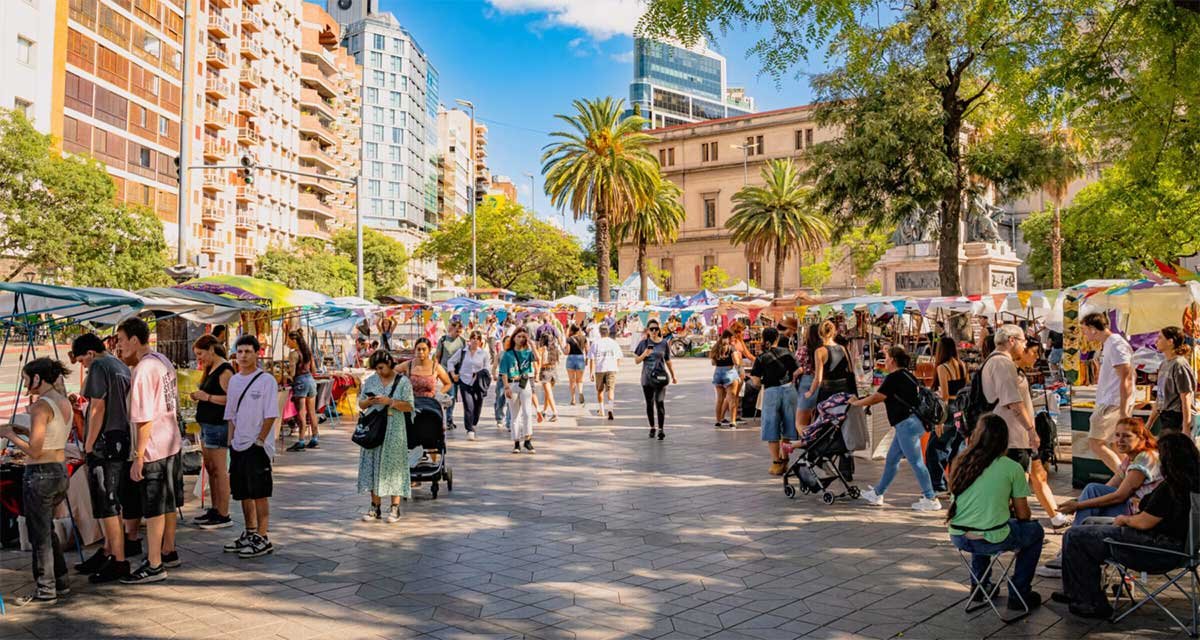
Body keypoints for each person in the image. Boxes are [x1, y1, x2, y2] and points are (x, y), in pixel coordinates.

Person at [1055, 432, 1200, 619]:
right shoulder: (1192, 484)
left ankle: (1088, 602)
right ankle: (1077, 592)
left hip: (1155, 550)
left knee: (1075, 536)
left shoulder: (1171, 488)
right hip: (1182, 549)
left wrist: (1125, 519)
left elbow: (1144, 522)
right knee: (1087, 528)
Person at [946, 414, 1046, 613]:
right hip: (991, 537)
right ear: (1004, 439)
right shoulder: (1011, 467)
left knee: (982, 523)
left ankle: (980, 587)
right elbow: (1024, 515)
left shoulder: (960, 461)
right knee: (1035, 532)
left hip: (958, 535)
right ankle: (1019, 592)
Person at [1039, 417, 1161, 578]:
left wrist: (1079, 506)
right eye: (1117, 435)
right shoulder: (1131, 458)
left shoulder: (1146, 458)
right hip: (1133, 510)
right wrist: (1079, 502)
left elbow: (1119, 496)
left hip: (1141, 516)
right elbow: (1110, 487)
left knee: (1092, 492)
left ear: (1141, 438)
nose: (1120, 440)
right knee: (1093, 490)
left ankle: (1069, 555)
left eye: (1126, 436)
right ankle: (1070, 554)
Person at [115, 317, 183, 583]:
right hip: (170, 442)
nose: (118, 347)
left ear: (134, 339)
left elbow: (144, 418)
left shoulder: (143, 369)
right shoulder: (162, 361)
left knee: (154, 506)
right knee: (166, 503)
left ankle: (155, 564)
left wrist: (138, 456)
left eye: (120, 341)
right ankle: (168, 550)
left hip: (154, 446)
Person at [2, 358, 74, 606]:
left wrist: (10, 434)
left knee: (39, 535)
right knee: (46, 530)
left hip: (40, 473)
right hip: (59, 470)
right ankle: (60, 581)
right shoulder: (62, 401)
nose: (24, 384)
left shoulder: (41, 406)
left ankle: (46, 589)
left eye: (26, 379)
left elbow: (34, 450)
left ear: (37, 378)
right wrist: (22, 431)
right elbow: (51, 436)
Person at [69, 333, 134, 584]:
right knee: (112, 500)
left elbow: (97, 408)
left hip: (105, 440)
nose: (83, 366)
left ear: (91, 354)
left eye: (82, 361)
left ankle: (118, 559)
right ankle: (109, 550)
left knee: (107, 503)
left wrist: (88, 443)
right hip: (121, 436)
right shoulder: (119, 365)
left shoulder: (98, 366)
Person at [852, 347, 942, 511]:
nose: (884, 361)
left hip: (906, 425)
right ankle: (878, 493)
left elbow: (877, 397)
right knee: (892, 459)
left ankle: (931, 498)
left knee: (916, 462)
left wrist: (856, 403)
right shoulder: (908, 375)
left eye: (886, 357)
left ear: (892, 360)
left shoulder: (893, 378)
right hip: (913, 423)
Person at [221, 335, 279, 559]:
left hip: (257, 445)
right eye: (240, 351)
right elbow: (231, 415)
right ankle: (250, 531)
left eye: (248, 351)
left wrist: (260, 440)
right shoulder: (234, 380)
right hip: (238, 445)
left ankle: (263, 537)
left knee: (260, 493)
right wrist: (230, 442)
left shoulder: (266, 381)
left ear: (257, 353)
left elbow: (271, 414)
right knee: (243, 493)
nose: (243, 356)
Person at [1012, 338, 1065, 527]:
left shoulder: (1019, 373)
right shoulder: (1011, 373)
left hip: (1026, 434)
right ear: (1022, 351)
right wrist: (1030, 429)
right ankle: (1021, 524)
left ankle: (1055, 515)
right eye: (1034, 352)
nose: (1036, 357)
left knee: (1039, 474)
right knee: (1023, 481)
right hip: (1018, 436)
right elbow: (1015, 405)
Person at [357, 350, 412, 522]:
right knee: (373, 463)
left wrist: (391, 402)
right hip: (374, 428)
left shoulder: (403, 382)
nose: (379, 372)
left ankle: (395, 507)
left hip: (394, 428)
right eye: (376, 369)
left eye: (381, 368)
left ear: (389, 364)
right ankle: (375, 506)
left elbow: (410, 406)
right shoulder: (371, 381)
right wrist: (370, 401)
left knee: (395, 465)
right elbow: (361, 403)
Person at [980, 324, 1040, 474]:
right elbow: (1014, 403)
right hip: (1010, 438)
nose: (1025, 345)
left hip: (1009, 437)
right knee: (1016, 489)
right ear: (1012, 340)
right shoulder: (1002, 363)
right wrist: (1031, 430)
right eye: (1023, 342)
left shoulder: (999, 361)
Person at [189, 335, 235, 529]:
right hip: (207, 424)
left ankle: (223, 512)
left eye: (201, 354)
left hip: (218, 425)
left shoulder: (225, 370)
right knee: (210, 469)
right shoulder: (211, 369)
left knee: (219, 470)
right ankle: (215, 508)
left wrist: (206, 397)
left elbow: (231, 399)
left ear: (211, 349)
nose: (200, 358)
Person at [1081, 312, 1133, 472]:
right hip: (1112, 402)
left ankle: (1125, 480)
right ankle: (1128, 479)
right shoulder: (1111, 344)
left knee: (1095, 442)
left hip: (1113, 404)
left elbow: (1126, 377)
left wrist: (1124, 411)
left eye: (1084, 330)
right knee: (1116, 445)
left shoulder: (1116, 344)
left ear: (1093, 329)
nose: (1083, 334)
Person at [751, 327, 800, 476]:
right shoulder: (787, 353)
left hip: (771, 392)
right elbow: (798, 370)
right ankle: (785, 459)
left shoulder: (761, 357)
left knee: (771, 426)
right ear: (777, 339)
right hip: (789, 391)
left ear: (764, 339)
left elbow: (756, 381)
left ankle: (776, 462)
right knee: (788, 426)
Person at [925, 337, 969, 493]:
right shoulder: (963, 365)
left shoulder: (943, 367)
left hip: (949, 409)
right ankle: (955, 482)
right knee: (957, 446)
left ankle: (938, 484)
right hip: (961, 409)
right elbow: (966, 388)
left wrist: (939, 420)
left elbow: (944, 394)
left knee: (935, 448)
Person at [499, 329, 542, 453]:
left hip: (525, 383)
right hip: (512, 384)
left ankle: (528, 439)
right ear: (513, 338)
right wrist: (506, 386)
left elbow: (538, 359)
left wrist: (532, 344)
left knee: (527, 412)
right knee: (515, 415)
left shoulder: (527, 352)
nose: (521, 339)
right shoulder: (507, 354)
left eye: (523, 337)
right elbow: (503, 372)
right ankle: (516, 442)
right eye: (519, 336)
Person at [634, 319, 677, 441]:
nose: (654, 331)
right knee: (649, 403)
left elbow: (668, 361)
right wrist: (645, 354)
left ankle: (661, 429)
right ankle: (652, 427)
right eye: (651, 329)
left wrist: (673, 375)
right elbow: (636, 361)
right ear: (647, 330)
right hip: (647, 378)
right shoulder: (643, 343)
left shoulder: (664, 344)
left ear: (659, 330)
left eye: (656, 329)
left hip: (660, 377)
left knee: (660, 402)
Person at [1148, 326, 1196, 434]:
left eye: (1160, 338)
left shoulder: (1179, 365)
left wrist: (1186, 427)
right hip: (1166, 418)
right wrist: (1149, 423)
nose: (1156, 341)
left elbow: (1186, 398)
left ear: (1170, 342)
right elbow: (1160, 398)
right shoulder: (1164, 364)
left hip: (1178, 418)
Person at [448, 330, 492, 440]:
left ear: (480, 341)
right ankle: (469, 429)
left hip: (478, 383)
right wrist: (453, 374)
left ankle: (473, 423)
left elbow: (487, 368)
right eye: (473, 338)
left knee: (477, 406)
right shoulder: (462, 352)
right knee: (468, 405)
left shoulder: (483, 354)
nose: (475, 340)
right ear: (470, 340)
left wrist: (480, 374)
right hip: (464, 381)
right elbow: (450, 362)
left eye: (477, 338)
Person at [285, 329, 320, 452]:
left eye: (288, 340)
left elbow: (293, 373)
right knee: (312, 412)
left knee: (301, 413)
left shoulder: (293, 354)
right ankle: (315, 438)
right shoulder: (308, 352)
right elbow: (314, 370)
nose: (287, 343)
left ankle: (301, 440)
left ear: (294, 340)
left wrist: (287, 375)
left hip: (300, 382)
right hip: (311, 381)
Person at [435, 321, 467, 430]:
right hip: (445, 371)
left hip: (457, 372)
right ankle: (448, 419)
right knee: (451, 393)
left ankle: (449, 417)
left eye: (460, 331)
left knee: (453, 396)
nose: (458, 333)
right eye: (456, 331)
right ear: (451, 329)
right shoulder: (443, 340)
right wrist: (435, 372)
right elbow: (437, 357)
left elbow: (464, 356)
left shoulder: (462, 341)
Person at [588, 324, 623, 421]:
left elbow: (591, 359)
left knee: (600, 390)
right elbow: (619, 357)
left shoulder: (595, 343)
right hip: (611, 368)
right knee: (611, 390)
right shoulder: (613, 343)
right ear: (608, 332)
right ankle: (610, 409)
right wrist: (617, 367)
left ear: (599, 332)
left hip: (599, 369)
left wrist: (591, 372)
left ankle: (602, 410)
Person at [710, 330, 743, 429]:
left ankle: (718, 420)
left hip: (717, 373)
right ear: (729, 337)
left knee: (720, 399)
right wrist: (738, 357)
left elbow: (713, 363)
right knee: (732, 399)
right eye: (733, 337)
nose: (734, 339)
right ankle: (732, 421)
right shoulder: (731, 348)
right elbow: (737, 362)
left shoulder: (715, 347)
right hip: (729, 372)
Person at [794, 324, 820, 429]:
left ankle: (805, 441)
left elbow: (797, 366)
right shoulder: (824, 350)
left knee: (800, 423)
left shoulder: (803, 350)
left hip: (806, 382)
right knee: (816, 419)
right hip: (821, 382)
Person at [535, 332, 561, 422]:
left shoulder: (542, 349)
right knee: (547, 393)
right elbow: (557, 361)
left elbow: (540, 362)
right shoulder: (554, 349)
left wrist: (537, 375)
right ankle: (545, 411)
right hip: (553, 371)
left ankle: (555, 412)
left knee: (549, 394)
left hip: (545, 371)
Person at [564, 324, 588, 407]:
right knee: (580, 380)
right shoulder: (584, 338)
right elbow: (587, 350)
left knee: (572, 380)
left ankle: (573, 399)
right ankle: (580, 392)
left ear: (572, 330)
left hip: (571, 358)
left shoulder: (569, 339)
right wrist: (587, 360)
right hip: (580, 358)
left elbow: (567, 352)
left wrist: (564, 350)